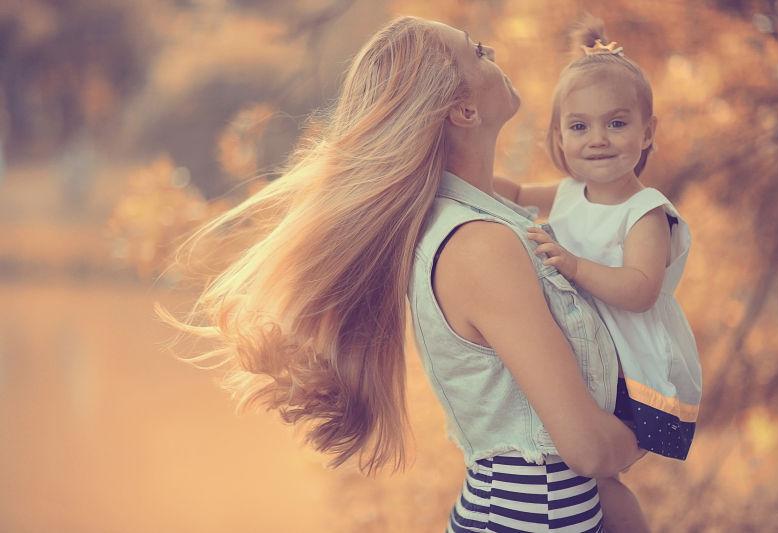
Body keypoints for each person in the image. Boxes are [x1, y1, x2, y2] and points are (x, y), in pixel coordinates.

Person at [156, 15, 646, 532]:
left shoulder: (469, 217)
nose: (494, 53)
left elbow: (583, 201)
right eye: (477, 52)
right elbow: (588, 449)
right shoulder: (479, 245)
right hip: (532, 516)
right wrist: (655, 429)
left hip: (538, 510)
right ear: (464, 110)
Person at [496, 16, 702, 533]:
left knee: (596, 471)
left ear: (647, 131)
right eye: (579, 127)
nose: (598, 140)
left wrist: (574, 265)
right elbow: (514, 194)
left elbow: (640, 290)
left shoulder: (644, 211)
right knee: (579, 473)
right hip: (585, 353)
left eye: (616, 123)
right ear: (559, 138)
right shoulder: (570, 192)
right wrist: (450, 173)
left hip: (629, 366)